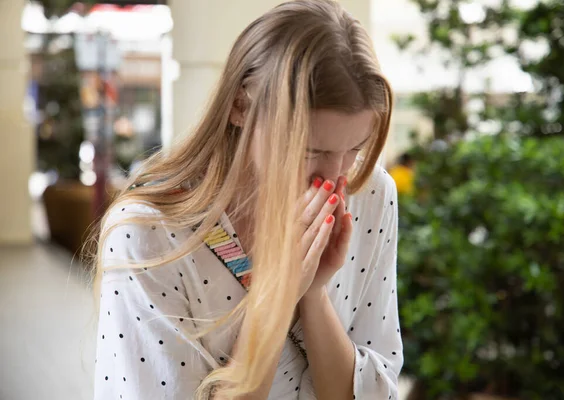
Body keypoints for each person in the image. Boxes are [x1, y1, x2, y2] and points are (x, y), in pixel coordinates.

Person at [91, 1, 403, 399]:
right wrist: (278, 291)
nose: (335, 175)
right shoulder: (149, 233)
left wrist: (312, 293)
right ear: (240, 106)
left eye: (355, 148)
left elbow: (375, 391)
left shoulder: (369, 192)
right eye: (309, 151)